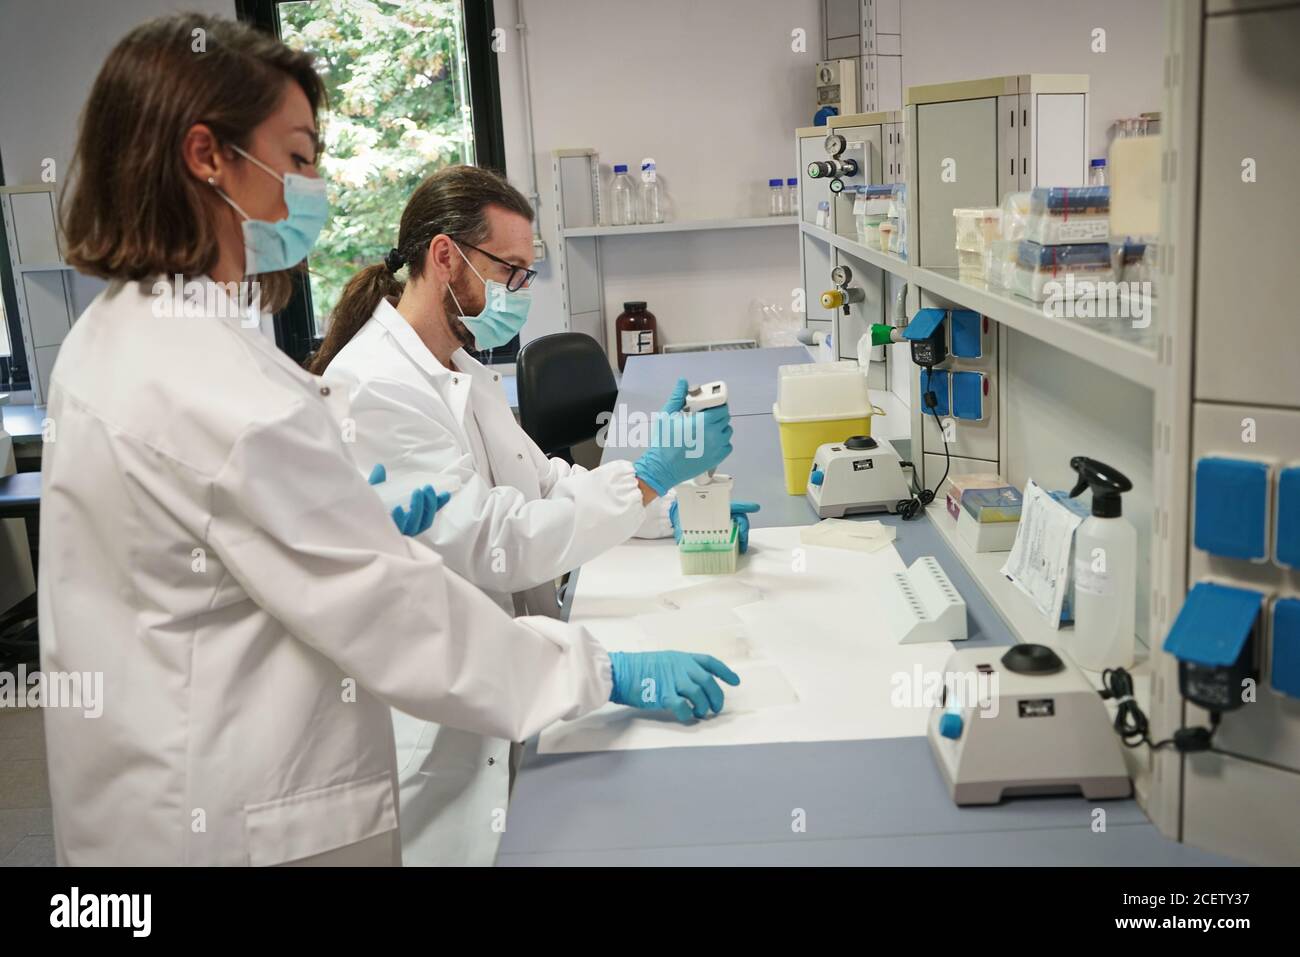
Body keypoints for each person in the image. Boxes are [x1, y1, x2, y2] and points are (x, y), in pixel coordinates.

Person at [40, 13, 737, 866]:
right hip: (234, 817)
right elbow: (396, 610)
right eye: (296, 158)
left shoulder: (125, 339)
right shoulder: (210, 384)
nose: (313, 186)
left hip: (162, 791)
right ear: (205, 157)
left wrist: (648, 488)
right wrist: (596, 671)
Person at [306, 165, 759, 866]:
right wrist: (641, 481)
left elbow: (543, 483)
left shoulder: (456, 363)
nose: (521, 293)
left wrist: (664, 504)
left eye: (527, 274)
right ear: (445, 256)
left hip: (512, 683)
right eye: (510, 270)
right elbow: (496, 540)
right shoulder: (375, 387)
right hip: (447, 733)